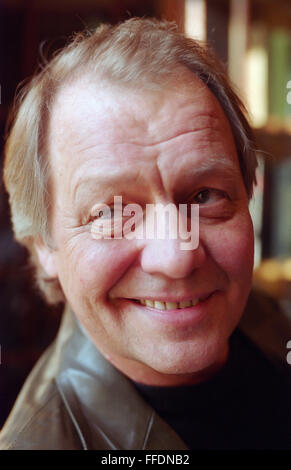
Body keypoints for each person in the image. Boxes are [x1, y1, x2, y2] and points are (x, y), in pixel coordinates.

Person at [0, 18, 290, 450]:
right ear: (45, 244)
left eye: (205, 195)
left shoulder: (269, 321)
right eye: (113, 212)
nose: (176, 256)